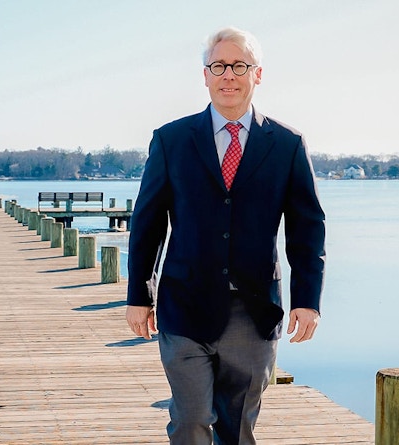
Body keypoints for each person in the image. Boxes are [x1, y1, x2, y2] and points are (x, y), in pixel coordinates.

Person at [125, 26, 326, 445]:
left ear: (257, 74)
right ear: (205, 75)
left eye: (239, 66)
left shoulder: (287, 144)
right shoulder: (172, 140)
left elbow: (307, 228)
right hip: (185, 307)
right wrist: (139, 295)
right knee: (192, 419)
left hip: (253, 314)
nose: (228, 75)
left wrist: (308, 300)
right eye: (219, 66)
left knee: (238, 431)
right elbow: (148, 223)